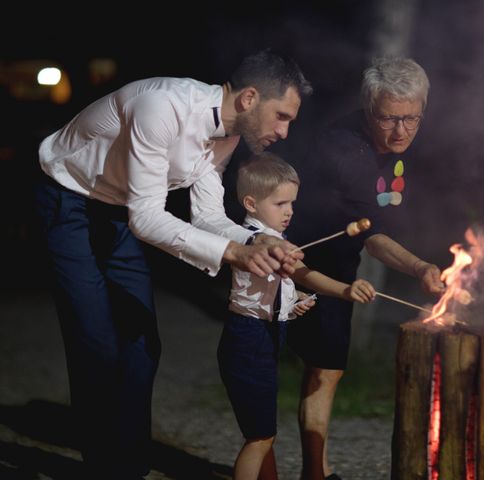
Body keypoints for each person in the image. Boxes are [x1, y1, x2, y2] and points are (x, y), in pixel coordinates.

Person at [33, 50, 312, 480]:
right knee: (97, 344)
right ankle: (105, 469)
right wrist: (236, 254)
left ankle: (128, 466)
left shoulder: (229, 135)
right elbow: (147, 219)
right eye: (281, 116)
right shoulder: (162, 106)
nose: (284, 130)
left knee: (143, 343)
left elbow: (208, 217)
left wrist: (259, 240)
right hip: (68, 198)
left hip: (119, 209)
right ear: (249, 98)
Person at [286, 56, 445, 480]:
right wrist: (419, 266)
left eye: (411, 119)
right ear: (368, 110)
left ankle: (314, 472)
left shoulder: (390, 143)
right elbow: (371, 238)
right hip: (296, 261)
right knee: (311, 369)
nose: (401, 131)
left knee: (327, 369)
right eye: (390, 119)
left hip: (338, 261)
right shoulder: (345, 152)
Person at [217, 153, 376, 480]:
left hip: (261, 335)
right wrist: (345, 291)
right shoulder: (252, 240)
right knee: (259, 438)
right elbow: (303, 273)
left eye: (292, 203)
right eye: (280, 204)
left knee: (264, 432)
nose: (290, 211)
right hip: (249, 340)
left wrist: (292, 304)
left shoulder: (273, 239)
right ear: (250, 203)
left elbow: (261, 292)